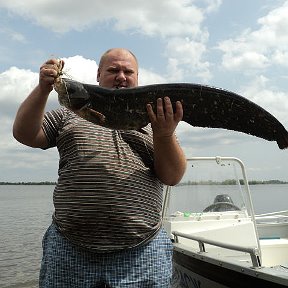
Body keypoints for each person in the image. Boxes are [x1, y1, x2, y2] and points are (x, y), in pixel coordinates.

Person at [13, 48, 187, 288]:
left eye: (128, 71)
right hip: (69, 249)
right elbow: (25, 134)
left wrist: (165, 134)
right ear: (98, 74)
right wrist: (43, 88)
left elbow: (172, 176)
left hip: (142, 252)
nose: (121, 76)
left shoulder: (155, 122)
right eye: (113, 70)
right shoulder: (68, 114)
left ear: (137, 77)